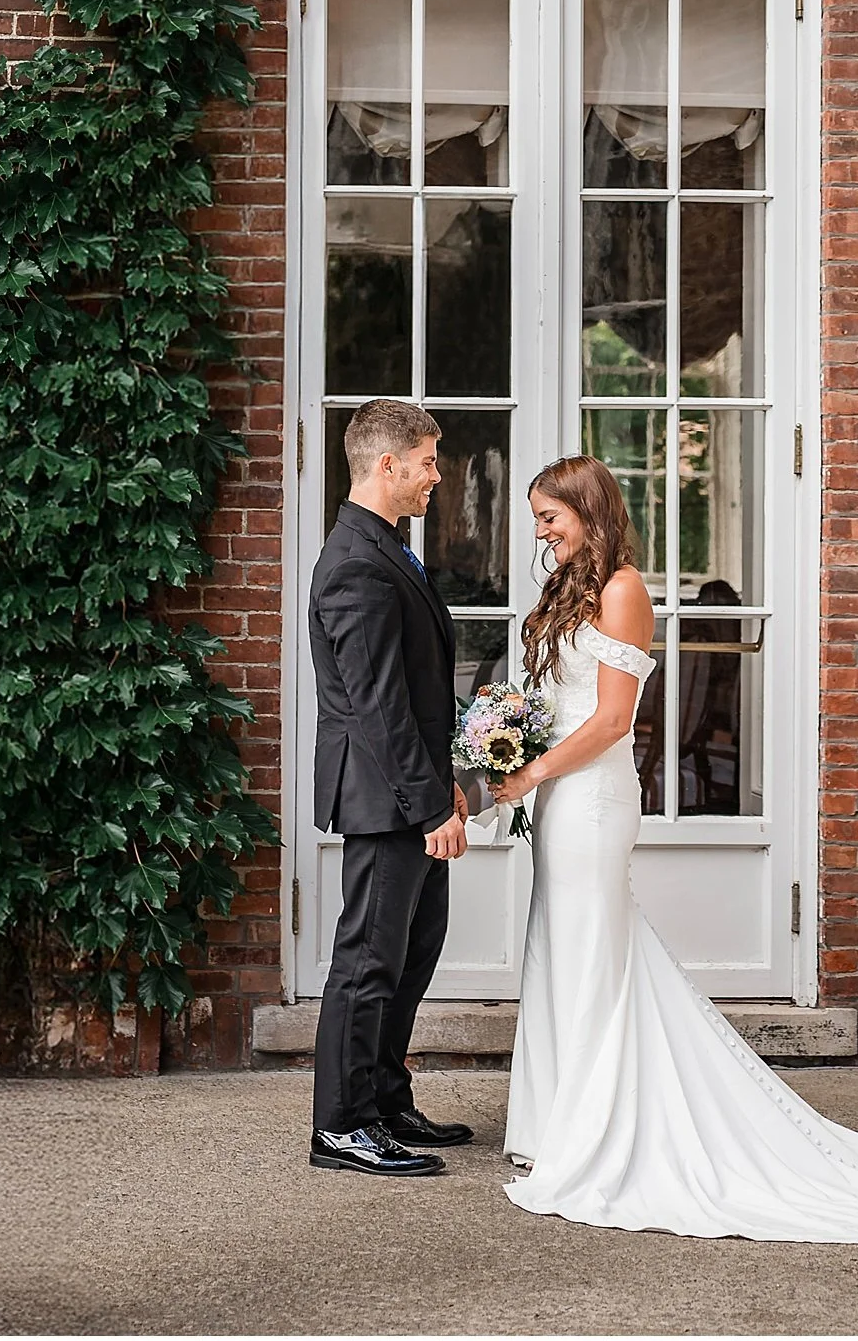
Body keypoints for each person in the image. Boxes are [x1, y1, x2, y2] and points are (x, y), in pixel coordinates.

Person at [486, 455, 858, 1240]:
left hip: (591, 799)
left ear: (588, 510)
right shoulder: (569, 589)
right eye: (537, 518)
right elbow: (556, 699)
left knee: (590, 954)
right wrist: (509, 746)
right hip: (557, 796)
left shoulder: (621, 588)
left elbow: (615, 720)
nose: (540, 531)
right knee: (564, 947)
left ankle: (596, 1129)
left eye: (550, 516)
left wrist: (533, 769)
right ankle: (555, 1122)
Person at [306, 398, 475, 1177]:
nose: (435, 477)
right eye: (429, 462)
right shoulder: (353, 563)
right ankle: (340, 1126)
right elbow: (377, 706)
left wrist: (447, 786)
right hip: (384, 796)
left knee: (413, 952)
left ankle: (383, 1098)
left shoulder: (387, 548)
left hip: (411, 788)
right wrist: (428, 802)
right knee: (368, 960)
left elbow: (414, 688)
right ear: (388, 464)